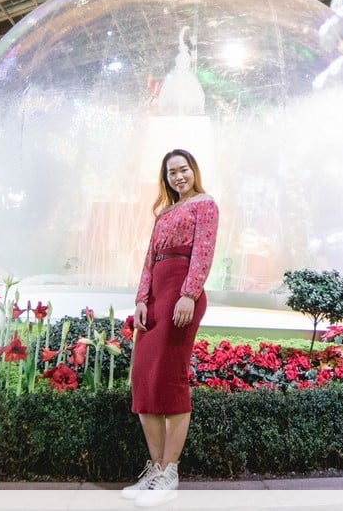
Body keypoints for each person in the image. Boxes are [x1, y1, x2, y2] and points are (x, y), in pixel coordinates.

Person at [122, 148, 219, 506]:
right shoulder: (163, 213)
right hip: (155, 296)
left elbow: (204, 251)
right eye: (172, 172)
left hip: (181, 293)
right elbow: (149, 259)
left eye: (183, 169)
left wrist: (189, 294)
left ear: (194, 170)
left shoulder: (206, 204)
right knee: (143, 378)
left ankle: (169, 473)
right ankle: (155, 471)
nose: (179, 177)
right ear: (166, 178)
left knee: (170, 377)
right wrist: (140, 300)